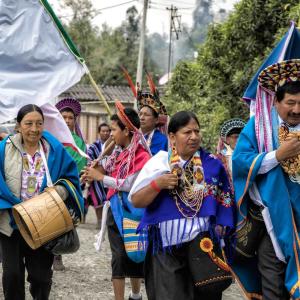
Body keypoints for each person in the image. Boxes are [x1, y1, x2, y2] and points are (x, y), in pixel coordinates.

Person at [129, 111, 235, 300]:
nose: (194, 137)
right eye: (187, 132)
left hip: (203, 247)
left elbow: (224, 203)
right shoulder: (159, 163)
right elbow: (137, 200)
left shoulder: (212, 165)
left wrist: (222, 234)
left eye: (197, 131)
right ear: (172, 136)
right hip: (166, 249)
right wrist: (158, 184)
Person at [232, 59, 300, 299]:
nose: (297, 109)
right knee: (272, 285)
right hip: (272, 221)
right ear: (276, 101)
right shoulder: (259, 127)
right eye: (290, 103)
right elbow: (240, 162)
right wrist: (277, 155)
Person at [0, 104, 84, 300]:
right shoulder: (5, 149)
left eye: (39, 123)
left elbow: (71, 179)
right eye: (28, 123)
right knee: (12, 275)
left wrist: (59, 192)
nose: (34, 129)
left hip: (43, 223)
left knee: (41, 277)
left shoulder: (53, 149)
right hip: (11, 222)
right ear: (18, 126)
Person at [83, 102, 150, 300]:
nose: (111, 134)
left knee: (134, 255)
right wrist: (94, 171)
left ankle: (136, 295)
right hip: (115, 210)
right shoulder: (116, 153)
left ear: (127, 131)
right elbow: (105, 168)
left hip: (134, 212)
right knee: (118, 257)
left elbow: (129, 184)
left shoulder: (142, 155)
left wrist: (100, 177)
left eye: (113, 129)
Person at [54, 97, 87, 270]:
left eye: (70, 118)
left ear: (75, 120)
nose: (67, 120)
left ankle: (57, 255)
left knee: (64, 220)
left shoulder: (79, 142)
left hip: (68, 187)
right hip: (48, 186)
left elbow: (78, 164)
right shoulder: (50, 139)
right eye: (64, 117)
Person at [86, 123, 111, 229]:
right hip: (96, 178)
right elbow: (89, 160)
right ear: (99, 132)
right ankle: (99, 221)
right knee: (98, 199)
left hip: (110, 177)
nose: (105, 133)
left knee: (108, 199)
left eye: (107, 131)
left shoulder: (114, 146)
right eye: (103, 131)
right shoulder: (93, 146)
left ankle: (108, 221)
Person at [216, 118, 245, 183]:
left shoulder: (248, 154)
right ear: (227, 140)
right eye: (235, 137)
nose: (238, 140)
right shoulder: (221, 158)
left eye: (241, 137)